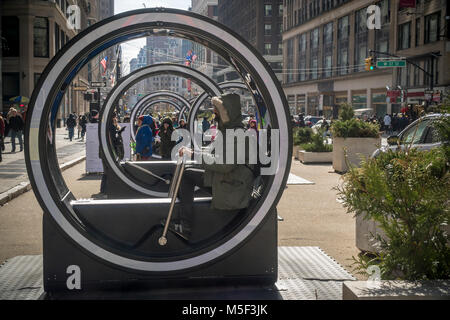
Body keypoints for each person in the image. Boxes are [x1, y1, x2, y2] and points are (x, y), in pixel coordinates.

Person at [173, 93, 255, 241]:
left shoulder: (238, 135)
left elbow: (224, 165)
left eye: (216, 110)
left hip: (231, 185)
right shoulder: (227, 132)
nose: (213, 113)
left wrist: (193, 155)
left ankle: (186, 226)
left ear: (226, 113)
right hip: (227, 180)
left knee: (186, 175)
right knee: (187, 173)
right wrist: (193, 152)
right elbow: (211, 152)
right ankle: (184, 222)